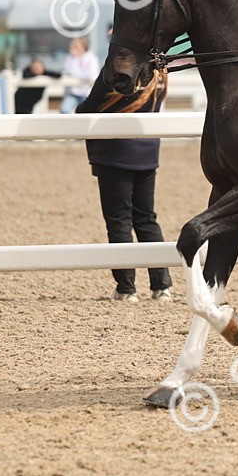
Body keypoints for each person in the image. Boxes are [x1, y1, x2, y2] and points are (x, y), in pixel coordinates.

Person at [76, 68, 173, 302]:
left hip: (115, 153)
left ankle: (126, 287)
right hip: (147, 153)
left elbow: (88, 108)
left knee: (119, 220)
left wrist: (80, 107)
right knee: (146, 218)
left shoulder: (116, 73)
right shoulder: (161, 76)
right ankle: (161, 285)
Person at [60, 37, 100, 114]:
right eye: (73, 46)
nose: (73, 48)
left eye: (76, 46)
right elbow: (67, 73)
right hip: (73, 93)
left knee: (86, 113)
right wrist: (76, 59)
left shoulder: (92, 58)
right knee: (64, 110)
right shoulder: (70, 58)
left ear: (83, 46)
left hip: (87, 93)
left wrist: (78, 69)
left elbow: (90, 75)